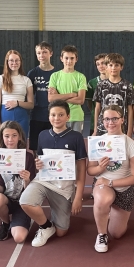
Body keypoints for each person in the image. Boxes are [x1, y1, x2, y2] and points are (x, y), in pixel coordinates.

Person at [19, 100, 87, 247]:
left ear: (68, 117)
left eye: (61, 115)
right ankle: (45, 226)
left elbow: (81, 168)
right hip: (43, 181)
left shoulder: (76, 137)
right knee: (25, 201)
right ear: (48, 116)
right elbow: (41, 160)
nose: (57, 118)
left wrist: (78, 196)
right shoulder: (42, 135)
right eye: (53, 115)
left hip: (64, 188)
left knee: (61, 232)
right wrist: (38, 164)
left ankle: (55, 219)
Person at [87, 105, 134, 253]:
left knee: (117, 234)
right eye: (106, 119)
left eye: (115, 118)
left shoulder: (131, 144)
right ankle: (101, 234)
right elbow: (90, 170)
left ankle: (110, 213)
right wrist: (100, 168)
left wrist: (110, 182)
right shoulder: (97, 142)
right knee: (103, 200)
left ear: (122, 119)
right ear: (102, 121)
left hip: (124, 188)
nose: (110, 122)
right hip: (103, 186)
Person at [0, 121, 36, 242]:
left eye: (14, 135)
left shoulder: (28, 157)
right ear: (1, 137)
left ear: (19, 136)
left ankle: (20, 219)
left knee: (19, 238)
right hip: (6, 199)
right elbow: (0, 190)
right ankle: (5, 223)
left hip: (23, 202)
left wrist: (27, 179)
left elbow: (31, 189)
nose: (10, 139)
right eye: (7, 136)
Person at [92, 53, 134, 137]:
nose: (113, 68)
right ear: (106, 67)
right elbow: (97, 108)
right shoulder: (101, 85)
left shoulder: (127, 86)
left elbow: (130, 109)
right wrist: (95, 129)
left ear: (121, 67)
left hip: (122, 128)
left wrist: (129, 132)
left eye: (116, 65)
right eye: (110, 65)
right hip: (103, 128)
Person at [0, 50, 34, 137]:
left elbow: (31, 105)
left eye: (17, 60)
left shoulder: (26, 80)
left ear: (20, 62)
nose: (14, 63)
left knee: (21, 143)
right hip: (5, 115)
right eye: (11, 60)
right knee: (6, 144)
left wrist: (17, 103)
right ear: (7, 62)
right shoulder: (1, 79)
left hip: (22, 116)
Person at [48, 45, 87, 133]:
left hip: (76, 116)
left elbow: (80, 100)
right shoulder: (55, 76)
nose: (69, 61)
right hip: (59, 116)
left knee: (75, 144)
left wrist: (58, 96)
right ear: (61, 58)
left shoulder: (80, 77)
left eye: (72, 58)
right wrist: (72, 95)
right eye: (66, 58)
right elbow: (51, 98)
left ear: (76, 59)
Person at [27, 42, 56, 153]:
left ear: (51, 53)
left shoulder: (57, 74)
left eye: (44, 52)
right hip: (36, 116)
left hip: (52, 116)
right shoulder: (32, 73)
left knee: (52, 146)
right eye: (39, 53)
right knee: (35, 147)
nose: (41, 55)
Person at [86, 53, 108, 134]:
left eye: (103, 63)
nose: (100, 66)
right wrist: (95, 112)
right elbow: (89, 103)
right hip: (96, 122)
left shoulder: (117, 82)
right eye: (98, 64)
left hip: (112, 122)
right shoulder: (92, 83)